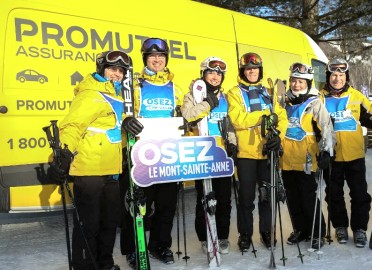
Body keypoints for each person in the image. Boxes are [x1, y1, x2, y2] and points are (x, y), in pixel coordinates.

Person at [47, 50, 143, 270]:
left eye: (121, 71)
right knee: (88, 225)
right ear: (102, 69)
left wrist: (127, 129)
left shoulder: (119, 97)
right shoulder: (91, 93)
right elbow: (72, 127)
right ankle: (84, 266)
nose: (116, 74)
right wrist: (62, 154)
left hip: (111, 170)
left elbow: (111, 134)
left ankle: (104, 263)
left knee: (109, 222)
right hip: (89, 171)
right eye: (112, 69)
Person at [320, 57, 372, 248]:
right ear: (328, 76)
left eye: (341, 75)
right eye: (333, 75)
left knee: (359, 194)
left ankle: (359, 229)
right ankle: (340, 226)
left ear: (346, 77)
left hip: (354, 155)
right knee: (334, 194)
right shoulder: (320, 98)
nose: (337, 79)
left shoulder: (357, 97)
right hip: (331, 155)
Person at [119, 37, 185, 267]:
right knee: (137, 206)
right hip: (140, 153)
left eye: (161, 56)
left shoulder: (175, 85)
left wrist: (186, 120)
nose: (157, 60)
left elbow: (184, 111)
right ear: (145, 58)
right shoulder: (133, 84)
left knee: (167, 205)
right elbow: (119, 110)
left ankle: (159, 245)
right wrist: (126, 121)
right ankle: (133, 249)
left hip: (167, 154)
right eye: (152, 56)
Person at [225, 52, 288, 251]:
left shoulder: (269, 91)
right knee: (246, 198)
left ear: (260, 70)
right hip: (246, 154)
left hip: (266, 152)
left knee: (267, 196)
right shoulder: (234, 92)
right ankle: (245, 234)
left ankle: (267, 232)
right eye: (248, 69)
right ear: (243, 71)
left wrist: (279, 137)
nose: (252, 71)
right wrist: (263, 116)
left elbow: (281, 117)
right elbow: (237, 119)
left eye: (255, 68)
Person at [180, 56, 236, 255]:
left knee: (224, 198)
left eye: (219, 74)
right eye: (211, 72)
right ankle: (205, 236)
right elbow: (187, 116)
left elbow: (229, 123)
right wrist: (206, 104)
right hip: (202, 153)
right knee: (204, 197)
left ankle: (222, 236)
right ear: (203, 74)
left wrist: (233, 144)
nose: (215, 77)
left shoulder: (227, 97)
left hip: (222, 155)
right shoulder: (191, 95)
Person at [280, 63, 335, 250]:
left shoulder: (314, 103)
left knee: (308, 197)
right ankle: (301, 229)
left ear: (307, 82)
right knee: (292, 198)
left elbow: (326, 127)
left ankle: (317, 231)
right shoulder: (284, 102)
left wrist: (326, 151)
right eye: (294, 81)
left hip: (306, 158)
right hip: (286, 158)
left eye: (300, 81)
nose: (296, 85)